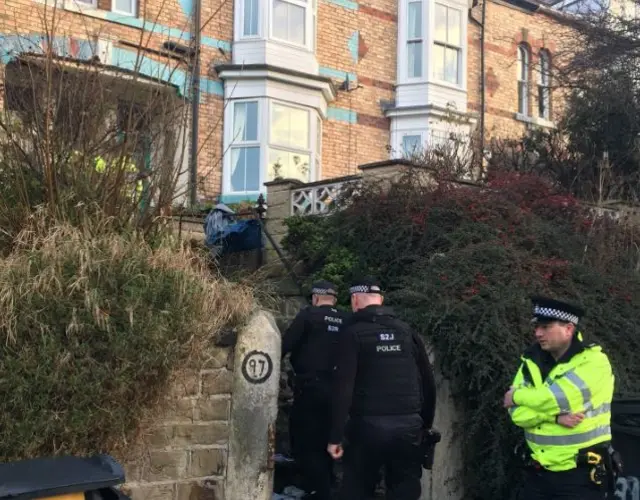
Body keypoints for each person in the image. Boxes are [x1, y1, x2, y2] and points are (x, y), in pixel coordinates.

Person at [327, 277, 437, 500]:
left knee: (357, 488)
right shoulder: (407, 332)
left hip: (367, 428)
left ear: (355, 300)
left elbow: (343, 388)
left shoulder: (353, 334)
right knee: (404, 490)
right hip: (409, 428)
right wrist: (424, 425)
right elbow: (428, 382)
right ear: (381, 300)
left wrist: (335, 437)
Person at [504, 296, 616, 500]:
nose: (538, 333)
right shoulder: (531, 361)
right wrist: (554, 418)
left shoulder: (593, 362)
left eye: (545, 327)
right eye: (536, 327)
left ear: (569, 329)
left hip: (580, 478)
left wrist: (517, 395)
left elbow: (556, 399)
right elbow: (516, 414)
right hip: (538, 474)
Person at [281, 280, 351, 500]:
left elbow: (283, 346)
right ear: (335, 299)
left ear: (315, 298)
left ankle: (315, 490)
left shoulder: (308, 316)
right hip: (342, 392)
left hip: (311, 389)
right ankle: (329, 485)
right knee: (331, 438)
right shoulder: (347, 320)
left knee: (307, 441)